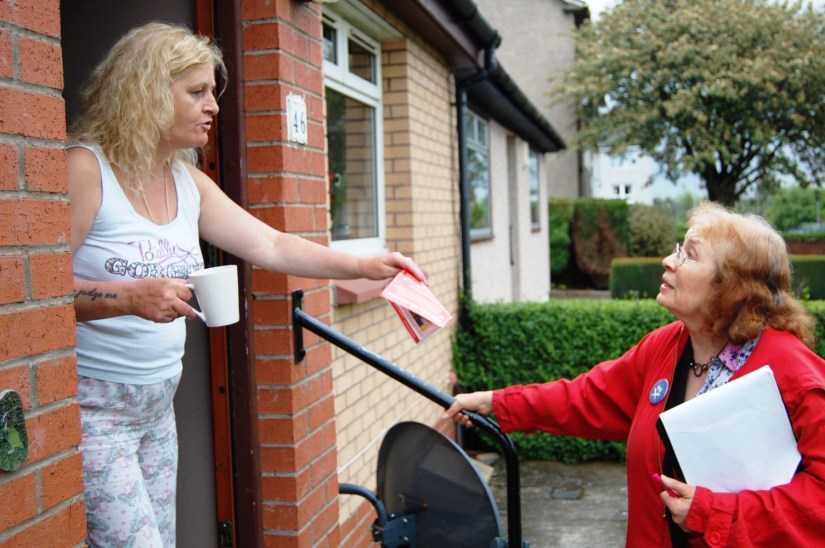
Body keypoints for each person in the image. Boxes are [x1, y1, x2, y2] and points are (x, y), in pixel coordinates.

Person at [68, 22, 426, 547]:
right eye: (196, 92)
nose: (213, 105)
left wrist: (364, 266)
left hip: (157, 404)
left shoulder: (188, 183)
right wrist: (127, 298)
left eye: (212, 92)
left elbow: (273, 246)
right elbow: (29, 297)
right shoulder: (85, 169)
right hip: (95, 410)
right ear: (144, 92)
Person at [444, 202, 825, 547]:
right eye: (678, 249)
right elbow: (586, 398)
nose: (668, 261)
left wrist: (715, 513)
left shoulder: (794, 372)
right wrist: (496, 402)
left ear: (732, 287)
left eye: (689, 256)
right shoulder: (665, 347)